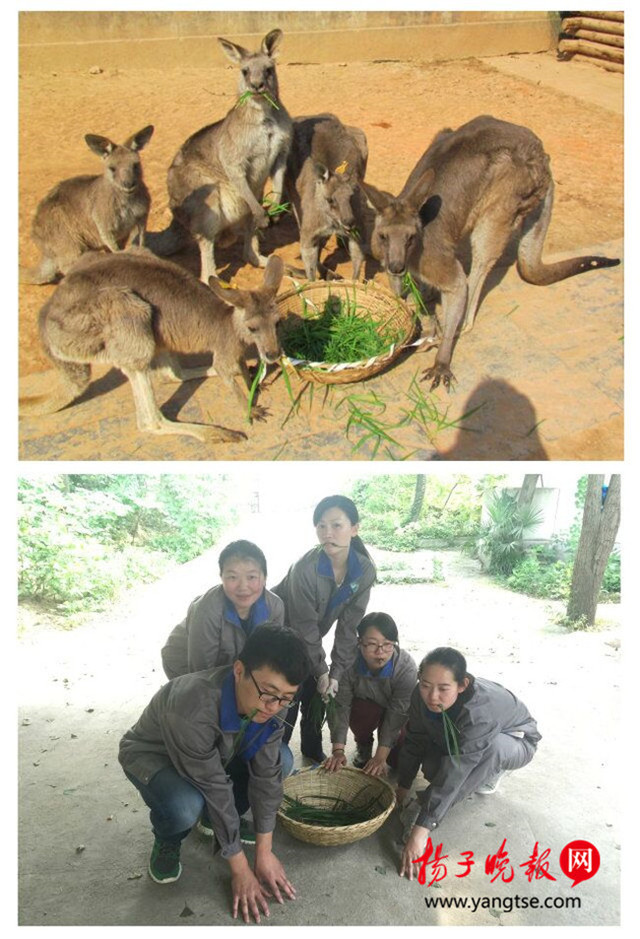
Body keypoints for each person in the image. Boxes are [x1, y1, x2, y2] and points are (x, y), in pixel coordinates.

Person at [119, 625, 310, 924]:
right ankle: (168, 837)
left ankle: (214, 822)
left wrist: (264, 853)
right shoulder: (192, 708)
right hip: (156, 756)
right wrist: (240, 870)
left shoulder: (274, 701)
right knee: (184, 806)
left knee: (282, 760)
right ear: (238, 670)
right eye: (269, 693)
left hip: (215, 752)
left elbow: (267, 777)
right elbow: (215, 787)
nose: (274, 707)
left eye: (286, 698)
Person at [396, 646, 541, 881]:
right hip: (473, 737)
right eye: (425, 685)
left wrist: (422, 829)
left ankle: (494, 770)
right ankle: (484, 769)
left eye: (443, 688)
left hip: (516, 741)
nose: (432, 696)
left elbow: (456, 769)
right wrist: (402, 786)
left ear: (462, 685)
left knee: (484, 755)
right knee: (434, 768)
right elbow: (415, 739)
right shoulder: (420, 694)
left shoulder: (479, 712)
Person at [272, 495, 376, 763]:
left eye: (336, 525)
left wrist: (336, 673)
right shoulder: (305, 569)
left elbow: (348, 627)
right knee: (290, 691)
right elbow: (304, 628)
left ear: (355, 528)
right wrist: (321, 670)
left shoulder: (363, 571)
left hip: (308, 634)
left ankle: (310, 747)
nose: (327, 533)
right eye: (321, 525)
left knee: (318, 696)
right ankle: (276, 752)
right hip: (281, 632)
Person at [161, 540, 284, 679]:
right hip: (185, 664)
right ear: (221, 577)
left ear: (264, 578)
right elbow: (202, 675)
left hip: (231, 665)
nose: (243, 586)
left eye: (252, 577)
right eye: (232, 577)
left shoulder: (275, 607)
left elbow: (269, 657)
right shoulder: (207, 611)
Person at [323, 612, 417, 775]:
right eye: (372, 644)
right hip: (367, 708)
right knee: (360, 711)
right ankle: (363, 744)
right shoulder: (347, 663)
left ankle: (387, 751)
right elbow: (341, 705)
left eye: (388, 644)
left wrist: (380, 757)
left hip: (395, 711)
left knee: (397, 762)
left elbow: (398, 712)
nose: (380, 652)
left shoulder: (406, 667)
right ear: (359, 643)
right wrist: (338, 751)